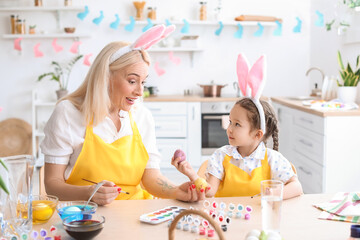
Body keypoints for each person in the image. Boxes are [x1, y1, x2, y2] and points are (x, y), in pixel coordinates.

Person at [41, 25, 206, 205]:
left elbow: (151, 177)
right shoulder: (68, 113)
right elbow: (52, 184)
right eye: (132, 81)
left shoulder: (142, 116)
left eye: (143, 82)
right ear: (105, 77)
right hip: (85, 215)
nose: (140, 92)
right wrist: (89, 192)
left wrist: (175, 190)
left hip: (135, 212)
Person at [172, 54, 303, 199]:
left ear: (257, 134)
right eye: (230, 122)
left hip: (259, 219)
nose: (229, 129)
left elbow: (296, 187)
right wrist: (190, 173)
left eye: (237, 124)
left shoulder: (273, 159)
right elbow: (209, 192)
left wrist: (271, 193)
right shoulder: (221, 156)